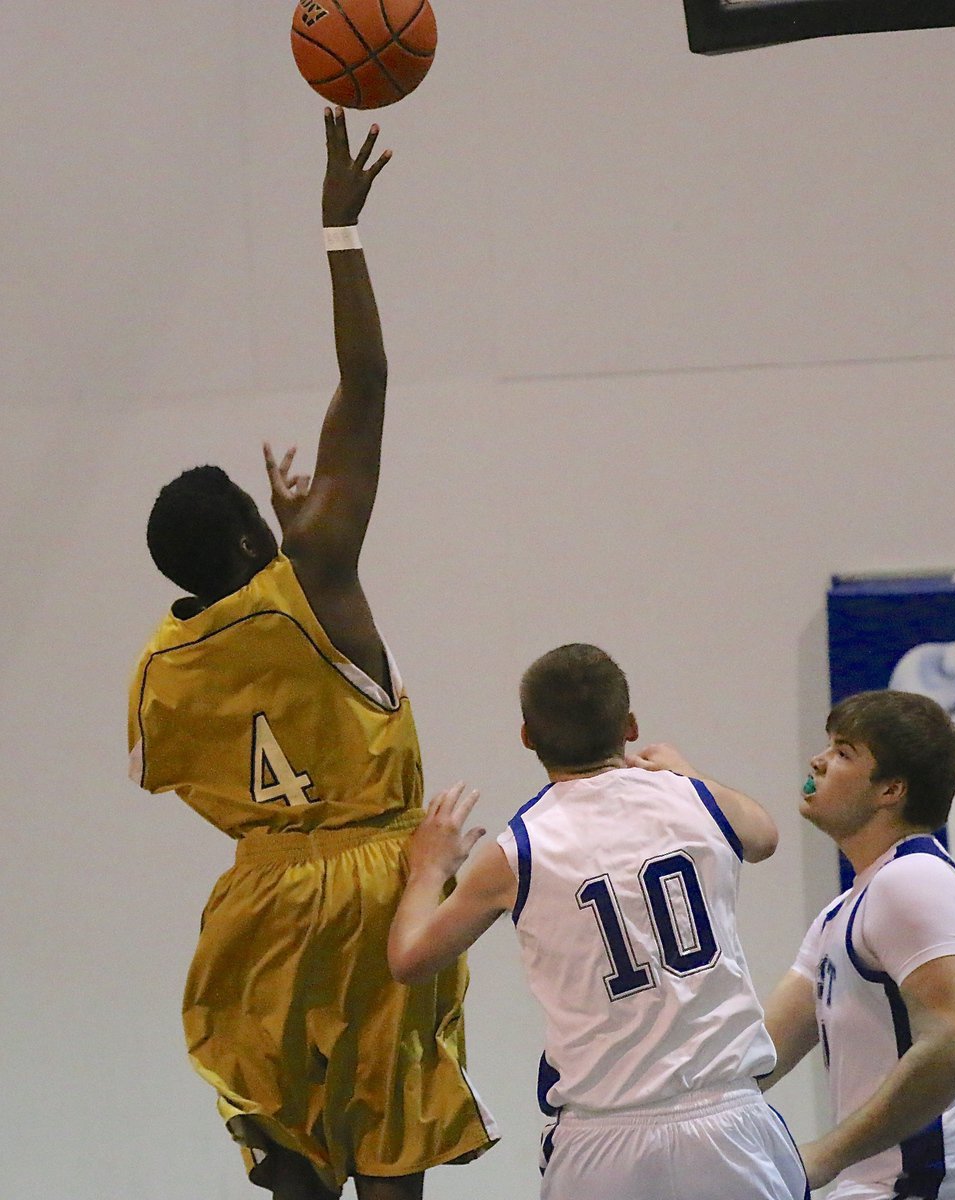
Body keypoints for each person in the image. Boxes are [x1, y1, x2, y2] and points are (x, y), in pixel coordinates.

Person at [127, 108, 497, 1200]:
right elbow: (367, 385)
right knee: (390, 1133)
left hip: (258, 899)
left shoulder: (160, 664)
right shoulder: (314, 580)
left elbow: (168, 774)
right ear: (256, 533)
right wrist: (339, 231)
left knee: (287, 1145)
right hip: (378, 878)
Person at [387, 642, 809, 1200]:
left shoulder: (519, 849)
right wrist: (689, 776)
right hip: (727, 1120)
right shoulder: (699, 802)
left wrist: (428, 868)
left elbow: (409, 959)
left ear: (527, 736)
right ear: (630, 727)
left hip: (603, 1141)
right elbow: (765, 836)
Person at [760, 689, 955, 1199]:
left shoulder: (912, 880)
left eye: (843, 753)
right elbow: (757, 1059)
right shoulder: (839, 917)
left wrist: (819, 1157)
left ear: (891, 790)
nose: (817, 760)